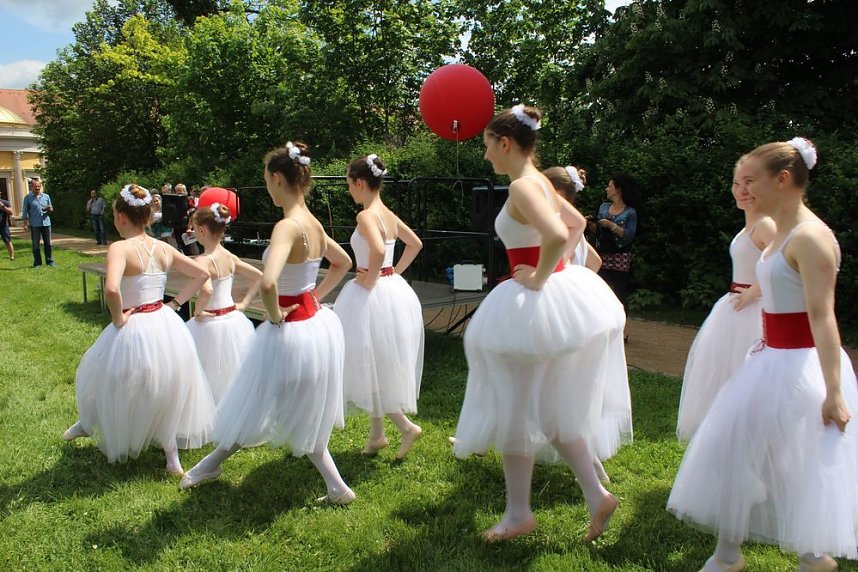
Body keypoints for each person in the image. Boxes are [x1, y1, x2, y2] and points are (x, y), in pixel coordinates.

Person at [667, 138, 858, 572]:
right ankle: (742, 555)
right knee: (747, 452)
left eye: (752, 180)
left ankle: (756, 556)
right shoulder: (784, 233)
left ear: (784, 180)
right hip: (771, 358)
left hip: (797, 366)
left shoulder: (809, 238)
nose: (744, 189)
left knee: (766, 453)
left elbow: (823, 317)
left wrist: (833, 392)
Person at [452, 105, 625, 542]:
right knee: (547, 410)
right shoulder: (543, 184)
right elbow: (575, 223)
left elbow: (554, 233)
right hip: (554, 301)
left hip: (533, 304)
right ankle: (594, 495)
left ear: (505, 143)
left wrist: (541, 275)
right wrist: (557, 268)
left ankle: (518, 514)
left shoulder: (525, 188)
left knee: (515, 408)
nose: (486, 154)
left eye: (487, 145)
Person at [180, 142, 356, 506]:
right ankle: (336, 488)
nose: (267, 188)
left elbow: (269, 281)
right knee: (287, 403)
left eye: (267, 181)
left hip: (290, 331)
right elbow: (344, 262)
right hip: (317, 326)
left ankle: (210, 465)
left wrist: (274, 317)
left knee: (257, 397)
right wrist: (315, 296)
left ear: (278, 178)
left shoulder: (287, 227)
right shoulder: (313, 223)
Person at [63, 184, 215, 476]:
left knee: (107, 376)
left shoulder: (119, 248)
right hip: (163, 322)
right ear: (147, 217)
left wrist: (118, 318)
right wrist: (176, 303)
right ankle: (171, 457)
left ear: (121, 217)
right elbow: (202, 273)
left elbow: (111, 288)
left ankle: (89, 421)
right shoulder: (163, 248)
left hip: (134, 325)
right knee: (165, 386)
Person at [676, 157, 776, 442]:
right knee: (723, 378)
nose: (741, 190)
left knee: (744, 379)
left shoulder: (765, 225)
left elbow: (783, 265)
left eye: (749, 183)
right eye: (736, 184)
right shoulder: (749, 226)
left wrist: (753, 291)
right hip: (734, 309)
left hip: (752, 312)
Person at [543, 164, 632, 485]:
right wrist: (583, 292)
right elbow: (594, 263)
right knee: (571, 387)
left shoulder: (556, 228)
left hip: (557, 315)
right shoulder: (575, 232)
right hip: (579, 317)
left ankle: (590, 464)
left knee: (553, 388)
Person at [334, 153, 425, 459]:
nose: (349, 191)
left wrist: (371, 279)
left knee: (368, 360)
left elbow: (374, 248)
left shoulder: (366, 216)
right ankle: (377, 435)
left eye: (349, 185)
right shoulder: (387, 213)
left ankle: (405, 426)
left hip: (372, 293)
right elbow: (415, 243)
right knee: (374, 362)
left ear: (360, 183)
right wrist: (393, 272)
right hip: (393, 290)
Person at [186, 203, 262, 404]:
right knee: (232, 367)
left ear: (201, 230)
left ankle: (209, 407)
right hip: (232, 318)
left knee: (207, 369)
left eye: (194, 229)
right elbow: (259, 276)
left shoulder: (202, 260)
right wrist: (244, 303)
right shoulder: (230, 257)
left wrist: (199, 311)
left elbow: (207, 289)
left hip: (210, 321)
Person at [588, 174, 640, 340]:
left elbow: (629, 236)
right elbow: (597, 233)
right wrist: (593, 224)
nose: (606, 189)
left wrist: (611, 225)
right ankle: (601, 327)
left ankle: (622, 331)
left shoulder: (630, 212)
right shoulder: (603, 207)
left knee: (619, 294)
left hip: (620, 257)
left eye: (609, 186)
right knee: (600, 292)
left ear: (617, 190)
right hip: (602, 255)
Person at [21, 178, 54, 267]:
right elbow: (25, 211)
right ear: (32, 187)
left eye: (39, 186)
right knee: (36, 244)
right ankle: (37, 263)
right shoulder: (28, 198)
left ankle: (50, 261)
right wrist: (25, 224)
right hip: (35, 224)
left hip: (46, 223)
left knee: (48, 244)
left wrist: (49, 209)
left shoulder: (46, 196)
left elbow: (51, 208)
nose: (37, 188)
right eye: (35, 186)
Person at [0, 195, 14, 260]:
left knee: (7, 241)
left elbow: (11, 212)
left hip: (3, 225)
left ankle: (12, 256)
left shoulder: (5, 202)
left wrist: (3, 207)